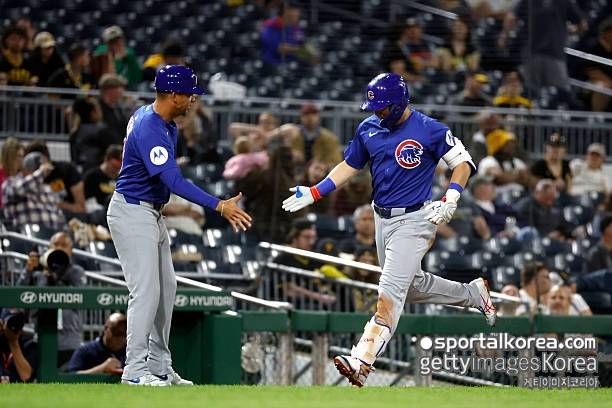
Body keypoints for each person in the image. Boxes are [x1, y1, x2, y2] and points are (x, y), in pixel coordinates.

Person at [281, 73, 496, 387]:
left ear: (399, 103)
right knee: (411, 287)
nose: (376, 111)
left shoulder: (429, 128)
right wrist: (315, 191)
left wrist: (451, 196)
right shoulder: (368, 127)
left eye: (381, 106)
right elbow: (349, 165)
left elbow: (462, 162)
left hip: (415, 219)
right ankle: (472, 294)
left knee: (389, 293)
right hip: (381, 218)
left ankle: (362, 360)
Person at [107, 65, 252, 386]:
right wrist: (218, 205)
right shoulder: (150, 125)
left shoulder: (162, 121)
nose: (193, 100)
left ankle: (159, 365)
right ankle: (134, 370)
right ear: (173, 95)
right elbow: (172, 180)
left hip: (151, 212)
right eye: (189, 94)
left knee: (166, 289)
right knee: (145, 292)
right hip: (132, 210)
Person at [18, 232, 86, 367]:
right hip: (41, 338)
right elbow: (19, 297)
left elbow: (78, 298)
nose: (59, 248)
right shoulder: (38, 273)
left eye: (64, 245)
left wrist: (54, 276)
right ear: (49, 247)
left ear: (71, 251)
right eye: (56, 244)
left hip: (69, 342)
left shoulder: (76, 272)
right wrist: (28, 271)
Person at [2, 151, 66, 231]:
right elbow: (17, 190)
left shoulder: (46, 188)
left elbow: (58, 212)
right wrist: (41, 173)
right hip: (25, 235)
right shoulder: (11, 183)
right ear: (26, 168)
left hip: (52, 235)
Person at [25, 140, 86, 215]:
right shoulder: (29, 178)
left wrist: (53, 204)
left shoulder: (67, 170)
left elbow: (81, 208)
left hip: (67, 215)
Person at [260, 2, 315, 66]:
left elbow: (302, 43)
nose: (297, 18)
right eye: (295, 16)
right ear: (286, 13)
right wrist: (301, 50)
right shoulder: (270, 26)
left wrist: (311, 54)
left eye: (297, 15)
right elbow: (280, 48)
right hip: (272, 66)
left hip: (293, 65)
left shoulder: (296, 28)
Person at [289, 102, 342, 166]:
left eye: (313, 114)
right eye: (306, 114)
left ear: (318, 116)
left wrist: (322, 166)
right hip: (298, 170)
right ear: (301, 117)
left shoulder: (329, 138)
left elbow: (335, 161)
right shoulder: (292, 136)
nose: (310, 117)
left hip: (322, 171)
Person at [478, 129, 529, 195]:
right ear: (498, 146)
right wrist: (517, 174)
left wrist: (507, 175)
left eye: (513, 144)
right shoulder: (488, 161)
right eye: (507, 144)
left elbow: (526, 179)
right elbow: (499, 178)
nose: (511, 147)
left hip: (518, 195)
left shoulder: (517, 161)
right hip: (495, 197)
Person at [0, 308, 37, 383]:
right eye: (8, 323)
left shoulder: (30, 345)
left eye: (17, 325)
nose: (12, 328)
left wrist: (13, 342)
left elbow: (25, 376)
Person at [583, 17, 612, 112]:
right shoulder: (595, 48)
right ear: (606, 33)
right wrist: (609, 82)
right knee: (602, 86)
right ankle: (596, 116)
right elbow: (592, 71)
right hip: (591, 83)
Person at [83, 144, 123, 212]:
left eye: (119, 168)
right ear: (106, 159)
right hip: (98, 212)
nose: (116, 170)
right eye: (114, 166)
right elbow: (88, 201)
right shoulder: (92, 176)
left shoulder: (122, 178)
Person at [97, 74, 130, 146]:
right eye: (119, 88)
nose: (122, 91)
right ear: (109, 90)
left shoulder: (117, 108)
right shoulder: (98, 108)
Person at [0, 137, 24, 208]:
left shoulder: (23, 176)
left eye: (22, 156)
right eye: (18, 156)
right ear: (8, 157)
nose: (21, 160)